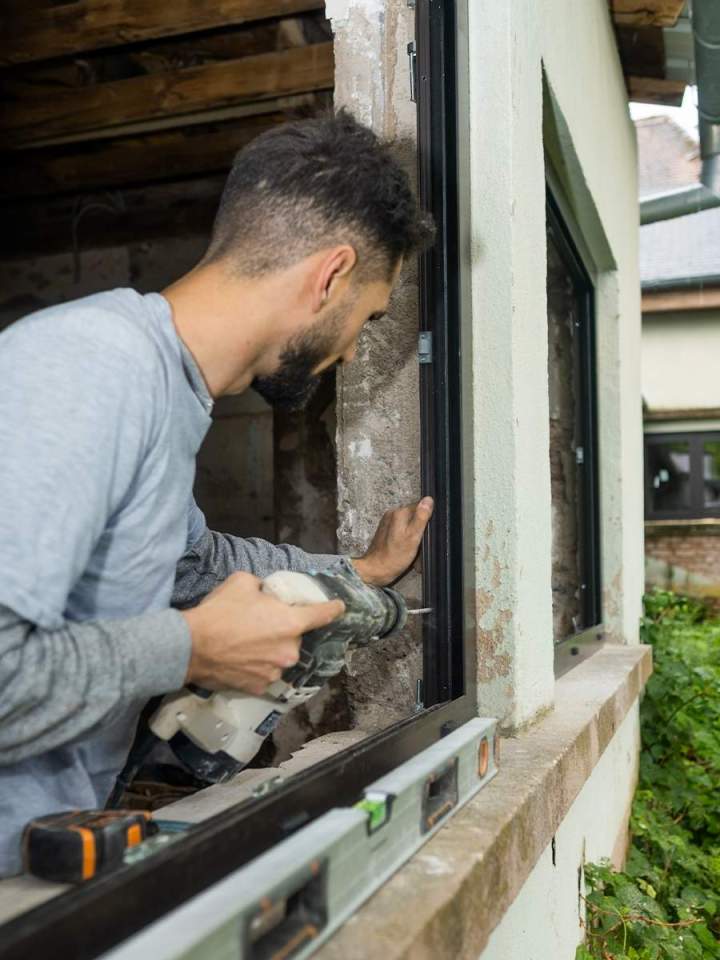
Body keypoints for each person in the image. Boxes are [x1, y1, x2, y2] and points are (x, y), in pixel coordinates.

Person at [0, 110, 436, 875]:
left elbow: (190, 557)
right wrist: (193, 647)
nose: (353, 348)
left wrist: (357, 572)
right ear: (329, 275)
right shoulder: (87, 369)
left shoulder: (168, 394)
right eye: (366, 317)